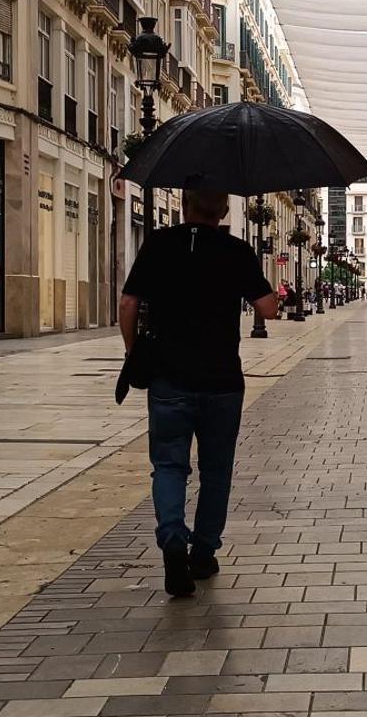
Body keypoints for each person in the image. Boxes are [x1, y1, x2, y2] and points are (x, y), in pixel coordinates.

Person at [119, 189, 278, 597]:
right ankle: (204, 552)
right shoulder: (235, 250)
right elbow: (268, 309)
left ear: (185, 205)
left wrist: (133, 351)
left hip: (169, 379)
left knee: (169, 466)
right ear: (224, 210)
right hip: (222, 380)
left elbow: (128, 302)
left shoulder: (158, 244)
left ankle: (173, 538)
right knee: (216, 470)